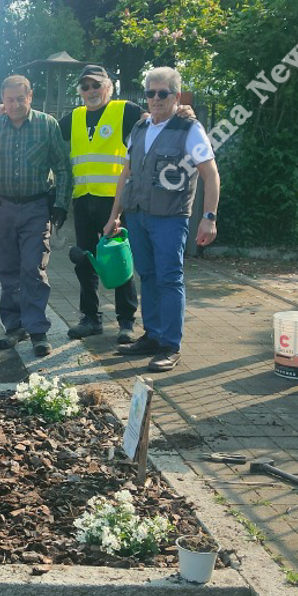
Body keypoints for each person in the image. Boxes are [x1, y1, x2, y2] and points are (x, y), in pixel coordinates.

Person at [104, 67, 221, 372]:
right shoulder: (141, 129)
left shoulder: (188, 128)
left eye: (163, 93)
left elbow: (211, 175)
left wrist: (209, 218)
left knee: (169, 278)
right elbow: (125, 175)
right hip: (138, 215)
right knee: (148, 276)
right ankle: (153, 335)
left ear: (176, 96)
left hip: (170, 218)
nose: (155, 99)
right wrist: (114, 215)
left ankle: (170, 344)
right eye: (150, 93)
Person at [0, 75, 72, 357]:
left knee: (33, 269)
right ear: (2, 100)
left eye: (20, 98)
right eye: (9, 99)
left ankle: (38, 331)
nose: (15, 105)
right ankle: (14, 326)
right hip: (3, 208)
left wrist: (61, 204)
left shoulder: (47, 125)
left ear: (30, 97)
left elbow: (63, 168)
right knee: (7, 271)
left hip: (35, 209)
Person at [58, 65, 141, 344]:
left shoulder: (124, 110)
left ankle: (126, 321)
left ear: (109, 87)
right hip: (83, 200)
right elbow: (47, 134)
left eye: (96, 85)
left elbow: (156, 121)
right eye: (85, 87)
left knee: (118, 261)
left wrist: (182, 113)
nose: (91, 91)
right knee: (84, 260)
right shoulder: (73, 118)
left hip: (114, 202)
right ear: (80, 91)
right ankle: (90, 318)